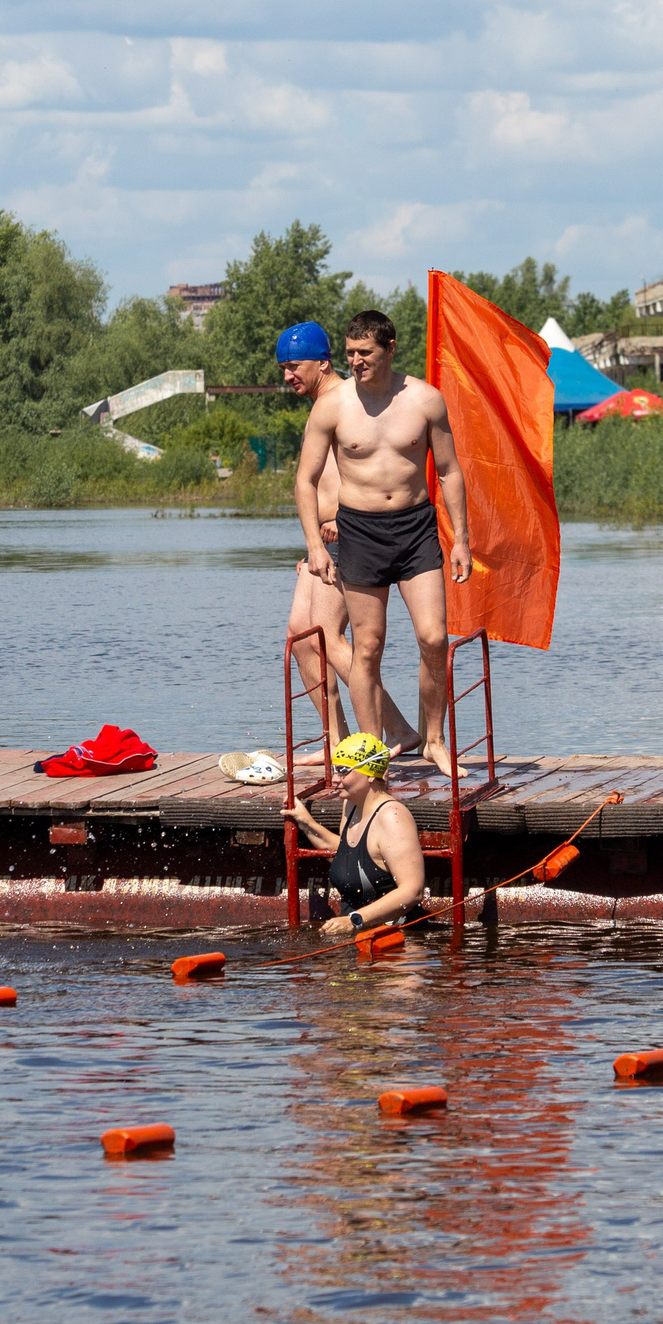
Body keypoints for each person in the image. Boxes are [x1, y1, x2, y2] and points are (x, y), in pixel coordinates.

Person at [295, 310, 472, 773]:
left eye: (365, 353)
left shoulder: (425, 400)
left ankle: (433, 740)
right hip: (360, 532)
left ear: (390, 349)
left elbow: (450, 471)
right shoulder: (332, 406)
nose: (356, 361)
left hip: (415, 528)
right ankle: (372, 750)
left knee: (434, 637)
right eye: (350, 353)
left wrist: (461, 539)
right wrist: (315, 545)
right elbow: (305, 480)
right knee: (368, 646)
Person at [277, 320, 415, 759]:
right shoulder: (324, 405)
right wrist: (312, 544)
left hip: (346, 534)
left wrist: (341, 520)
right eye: (283, 368)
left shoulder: (345, 400)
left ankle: (397, 729)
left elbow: (364, 472)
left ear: (322, 363)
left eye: (294, 366)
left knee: (327, 636)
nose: (288, 376)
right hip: (323, 539)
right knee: (300, 637)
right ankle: (336, 740)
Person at [282, 733, 427, 939]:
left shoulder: (392, 817)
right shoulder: (351, 805)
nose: (335, 779)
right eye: (335, 770)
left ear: (370, 774)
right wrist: (305, 822)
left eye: (343, 771)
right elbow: (349, 856)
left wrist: (354, 920)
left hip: (397, 940)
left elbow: (412, 891)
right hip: (358, 937)